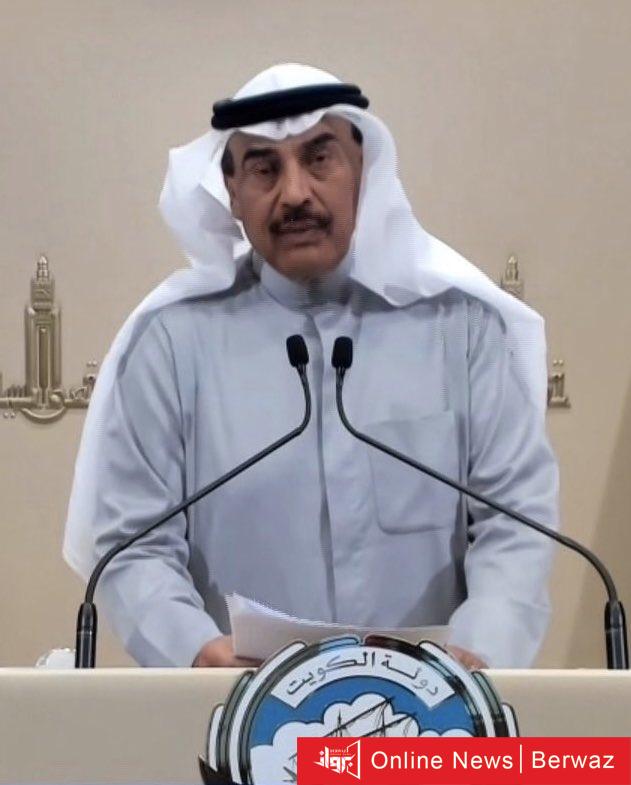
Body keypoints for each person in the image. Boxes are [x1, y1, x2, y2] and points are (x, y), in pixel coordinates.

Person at [63, 63, 559, 670]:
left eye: (319, 158)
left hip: (432, 713)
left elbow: (515, 522)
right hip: (233, 713)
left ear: (361, 168)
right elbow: (134, 544)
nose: (295, 193)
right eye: (264, 168)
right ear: (231, 189)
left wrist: (477, 659)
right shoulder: (170, 347)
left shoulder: (461, 332)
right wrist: (196, 655)